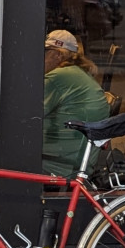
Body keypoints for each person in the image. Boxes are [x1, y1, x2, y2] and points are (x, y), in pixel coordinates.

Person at [41, 28, 114, 179]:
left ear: (58, 55)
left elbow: (28, 114)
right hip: (80, 160)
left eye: (45, 53)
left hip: (60, 163)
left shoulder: (59, 77)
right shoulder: (79, 74)